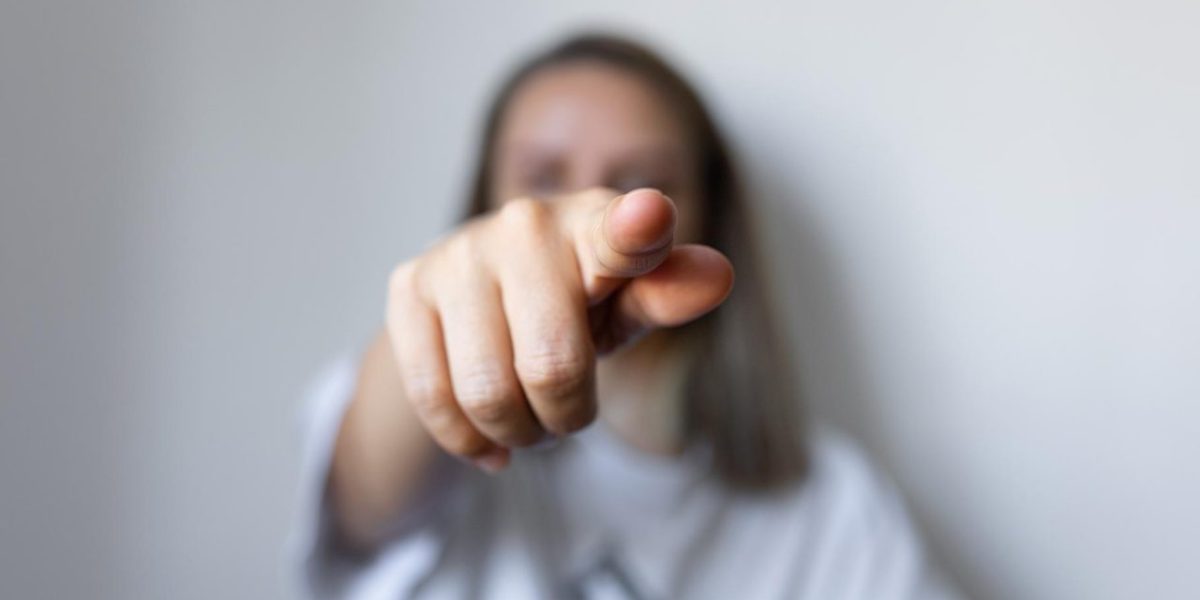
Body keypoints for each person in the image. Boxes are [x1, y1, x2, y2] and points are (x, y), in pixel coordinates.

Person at [294, 33, 956, 599]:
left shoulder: (835, 510)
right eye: (542, 178)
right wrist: (436, 310)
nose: (588, 210)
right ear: (487, 206)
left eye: (640, 179)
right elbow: (366, 488)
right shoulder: (437, 449)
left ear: (708, 216)